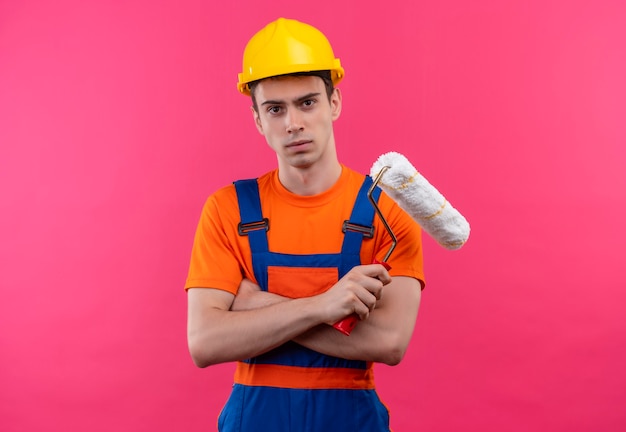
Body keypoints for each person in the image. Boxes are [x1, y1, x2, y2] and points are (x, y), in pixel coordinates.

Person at [185, 17, 425, 432]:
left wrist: (256, 305)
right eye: (275, 109)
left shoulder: (387, 209)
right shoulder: (227, 210)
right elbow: (205, 342)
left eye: (307, 102)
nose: (292, 122)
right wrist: (321, 306)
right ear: (258, 120)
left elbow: (389, 342)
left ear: (334, 103)